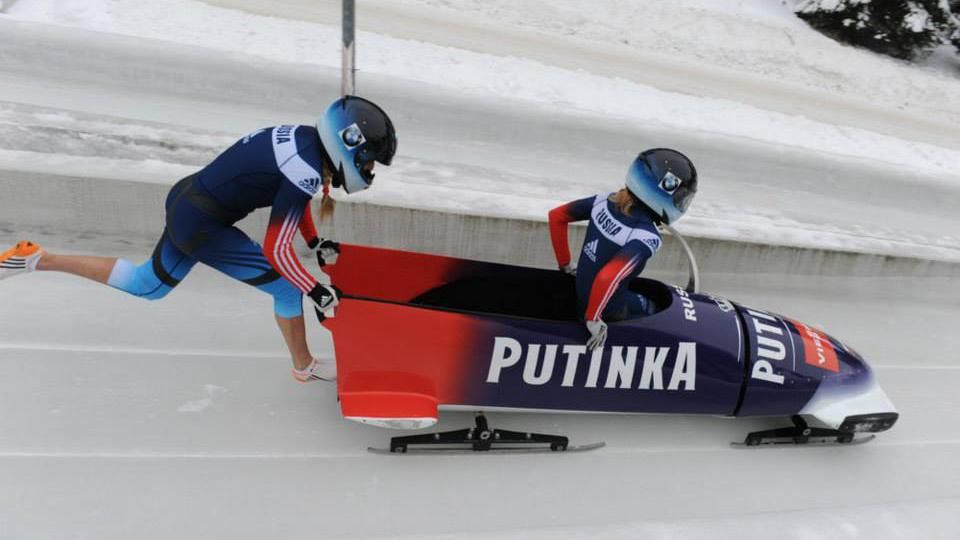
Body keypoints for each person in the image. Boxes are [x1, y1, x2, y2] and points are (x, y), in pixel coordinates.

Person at [0, 95, 397, 382]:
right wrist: (315, 289)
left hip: (188, 201)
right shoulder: (307, 169)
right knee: (288, 290)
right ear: (346, 145)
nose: (367, 168)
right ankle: (304, 366)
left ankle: (38, 259)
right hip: (205, 224)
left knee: (147, 285)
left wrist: (312, 244)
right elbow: (276, 248)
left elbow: (292, 202)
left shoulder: (303, 141)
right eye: (367, 160)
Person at [548, 148, 697, 351]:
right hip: (609, 312)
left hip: (582, 292)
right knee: (654, 310)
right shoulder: (646, 236)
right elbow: (607, 277)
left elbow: (556, 216)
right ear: (666, 191)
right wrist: (593, 318)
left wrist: (566, 264)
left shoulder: (602, 201)